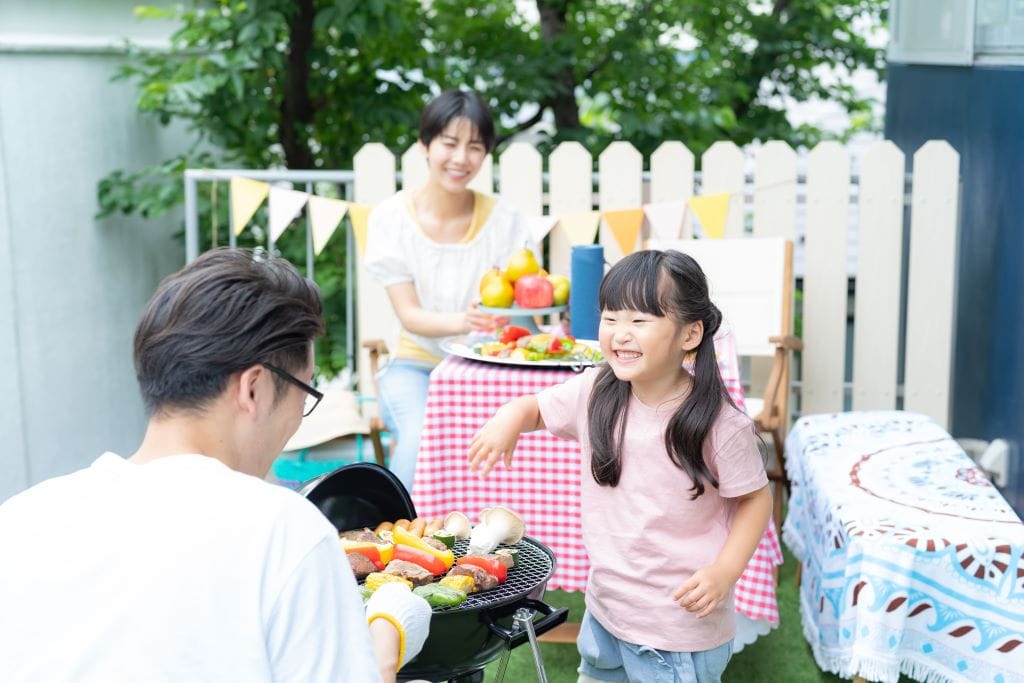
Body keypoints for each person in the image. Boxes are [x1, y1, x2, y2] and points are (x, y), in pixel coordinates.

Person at [0, 248, 430, 683]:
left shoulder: (19, 519)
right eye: (305, 394)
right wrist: (385, 643)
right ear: (254, 389)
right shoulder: (284, 532)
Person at [468, 249, 773, 683]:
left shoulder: (719, 424)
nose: (620, 333)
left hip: (676, 627)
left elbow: (755, 500)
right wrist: (510, 418)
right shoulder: (596, 390)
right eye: (611, 318)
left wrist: (725, 572)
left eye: (639, 320)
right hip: (607, 612)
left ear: (690, 334)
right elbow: (535, 407)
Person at [364, 88, 535, 492]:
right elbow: (410, 316)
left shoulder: (505, 220)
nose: (461, 158)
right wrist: (467, 320)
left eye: (474, 147)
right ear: (425, 144)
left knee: (523, 439)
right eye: (449, 142)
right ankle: (400, 525)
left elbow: (521, 307)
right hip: (413, 365)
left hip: (485, 367)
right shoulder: (391, 218)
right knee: (420, 436)